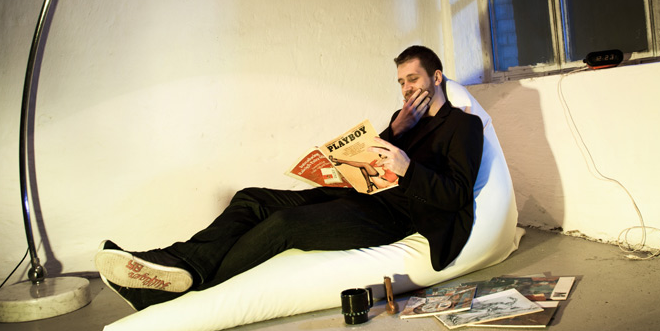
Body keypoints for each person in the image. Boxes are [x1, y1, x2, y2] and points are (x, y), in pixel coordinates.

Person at [95, 45, 484, 310]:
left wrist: (407, 168)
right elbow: (372, 158)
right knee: (251, 198)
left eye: (413, 79)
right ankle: (172, 261)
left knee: (284, 224)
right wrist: (394, 131)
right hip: (359, 196)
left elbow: (456, 194)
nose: (406, 89)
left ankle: (183, 284)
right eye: (400, 82)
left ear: (436, 77)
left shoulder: (463, 126)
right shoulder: (405, 120)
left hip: (394, 217)